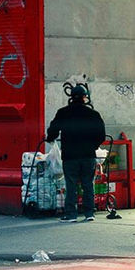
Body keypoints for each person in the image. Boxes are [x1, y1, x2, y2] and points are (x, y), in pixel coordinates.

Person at [45, 81, 106, 221]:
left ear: (71, 97)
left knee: (71, 184)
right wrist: (93, 146)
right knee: (88, 184)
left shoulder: (63, 113)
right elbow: (101, 135)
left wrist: (50, 138)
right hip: (88, 155)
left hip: (70, 155)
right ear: (85, 97)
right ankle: (89, 213)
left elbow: (53, 130)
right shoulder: (93, 114)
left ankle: (71, 214)